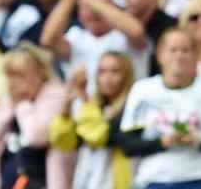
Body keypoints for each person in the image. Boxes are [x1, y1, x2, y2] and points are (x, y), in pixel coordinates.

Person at [119, 28, 201, 189]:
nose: (179, 56)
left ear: (196, 55)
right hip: (155, 179)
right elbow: (128, 145)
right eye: (172, 50)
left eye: (185, 50)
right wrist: (162, 142)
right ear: (160, 55)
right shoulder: (143, 90)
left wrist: (200, 141)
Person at [0, 43, 71, 189]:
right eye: (10, 76)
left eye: (20, 75)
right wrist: (8, 109)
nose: (13, 83)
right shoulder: (11, 101)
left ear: (40, 72)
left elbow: (36, 138)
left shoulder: (56, 96)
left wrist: (22, 105)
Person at [49, 51, 137, 189]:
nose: (107, 77)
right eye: (102, 72)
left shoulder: (132, 108)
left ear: (126, 75)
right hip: (88, 181)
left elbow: (99, 136)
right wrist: (66, 107)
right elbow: (64, 143)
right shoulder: (94, 108)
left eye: (114, 71)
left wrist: (85, 100)